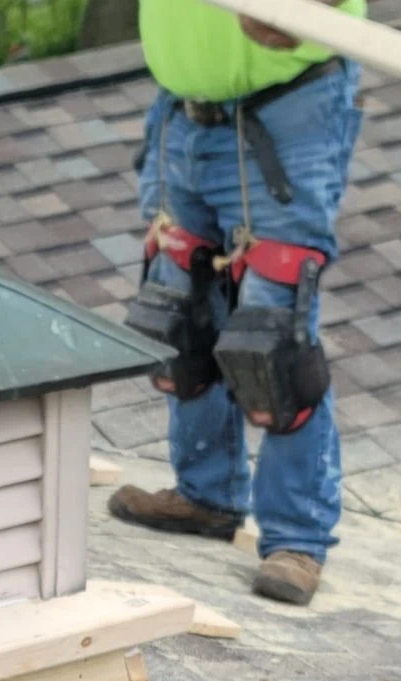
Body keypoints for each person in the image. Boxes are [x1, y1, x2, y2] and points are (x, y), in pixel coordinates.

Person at [108, 1, 366, 606]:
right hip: (181, 114)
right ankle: (206, 495)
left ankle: (297, 537)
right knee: (180, 313)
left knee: (273, 335)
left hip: (290, 108)